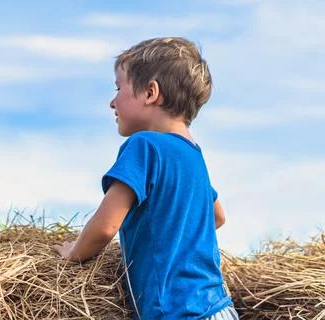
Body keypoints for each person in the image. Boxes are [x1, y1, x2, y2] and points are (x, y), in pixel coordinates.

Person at [52, 37, 239, 320]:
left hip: (178, 313)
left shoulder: (145, 146)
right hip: (219, 309)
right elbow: (218, 216)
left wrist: (73, 253)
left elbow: (105, 227)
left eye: (119, 88)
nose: (112, 101)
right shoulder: (193, 157)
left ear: (151, 92)